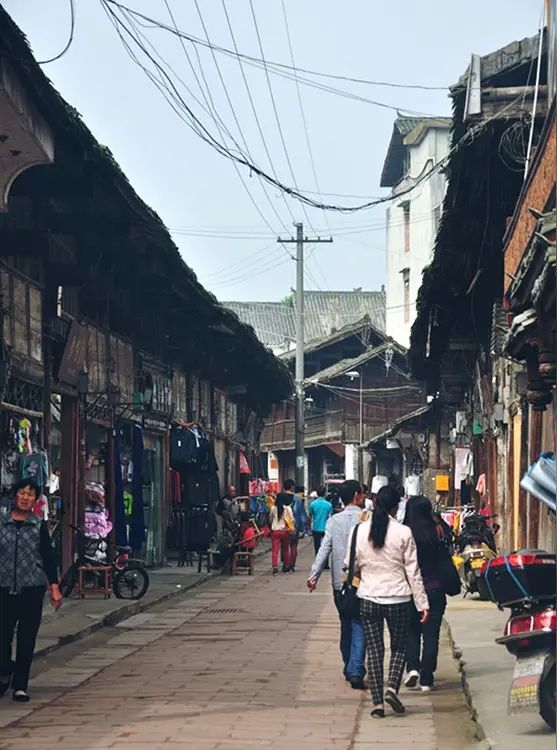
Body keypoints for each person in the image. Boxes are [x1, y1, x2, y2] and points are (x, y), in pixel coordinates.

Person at [349, 485, 429, 718]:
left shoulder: (359, 531)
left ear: (374, 503)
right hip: (398, 598)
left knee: (375, 651)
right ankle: (392, 688)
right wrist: (422, 603)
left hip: (368, 597)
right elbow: (413, 571)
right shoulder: (403, 532)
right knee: (399, 647)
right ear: (396, 506)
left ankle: (377, 704)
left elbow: (349, 564)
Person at [0, 479, 62, 702]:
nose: (25, 498)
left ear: (35, 500)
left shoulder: (38, 526)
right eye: (22, 493)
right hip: (3, 588)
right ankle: (5, 670)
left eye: (30, 494)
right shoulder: (2, 524)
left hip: (31, 589)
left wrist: (54, 588)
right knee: (2, 637)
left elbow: (48, 557)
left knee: (26, 639)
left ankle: (20, 686)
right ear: (15, 495)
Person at [307, 480, 367, 691]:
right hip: (363, 580)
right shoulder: (367, 519)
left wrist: (313, 575)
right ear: (357, 495)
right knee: (360, 623)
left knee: (346, 622)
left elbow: (324, 549)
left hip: (339, 583)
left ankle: (349, 664)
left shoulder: (334, 521)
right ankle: (356, 669)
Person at [404, 496, 449, 692]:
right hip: (434, 588)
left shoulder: (405, 532)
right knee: (431, 635)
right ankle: (427, 678)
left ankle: (413, 667)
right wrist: (437, 520)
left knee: (411, 631)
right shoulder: (436, 530)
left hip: (410, 590)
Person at [268, 492, 295, 575]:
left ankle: (275, 567)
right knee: (285, 549)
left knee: (275, 550)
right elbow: (292, 520)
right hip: (285, 531)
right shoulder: (288, 508)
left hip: (275, 531)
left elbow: (270, 519)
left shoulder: (273, 508)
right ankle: (286, 566)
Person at [283, 479, 307, 571]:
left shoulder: (280, 497)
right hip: (294, 526)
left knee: (284, 546)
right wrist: (303, 528)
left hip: (283, 525)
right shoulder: (297, 499)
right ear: (292, 487)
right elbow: (302, 515)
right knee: (293, 546)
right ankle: (291, 565)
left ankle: (285, 564)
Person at [308, 486, 333, 555]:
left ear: (317, 493)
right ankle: (326, 561)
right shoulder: (329, 505)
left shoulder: (313, 504)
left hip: (316, 527)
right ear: (324, 493)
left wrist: (309, 527)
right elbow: (330, 517)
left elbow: (310, 516)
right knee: (326, 547)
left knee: (317, 547)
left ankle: (317, 559)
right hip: (326, 528)